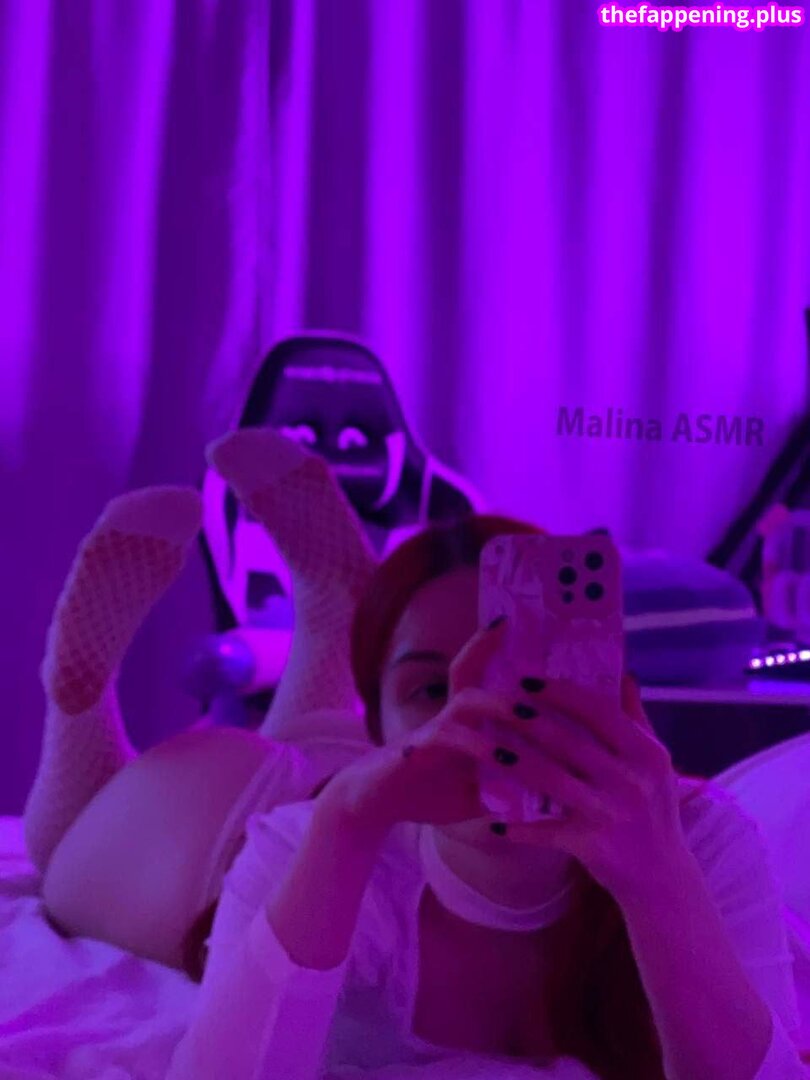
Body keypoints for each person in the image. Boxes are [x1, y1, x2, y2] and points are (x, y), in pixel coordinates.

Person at [165, 515, 805, 1080]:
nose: (476, 720)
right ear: (376, 729)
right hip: (222, 818)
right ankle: (317, 611)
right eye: (431, 691)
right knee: (148, 838)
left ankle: (328, 606)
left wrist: (656, 881)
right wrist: (346, 825)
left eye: (518, 680)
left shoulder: (699, 842)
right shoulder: (313, 838)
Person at [27, 428, 378, 971]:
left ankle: (78, 705)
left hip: (100, 868)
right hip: (130, 875)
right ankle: (336, 615)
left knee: (303, 773)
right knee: (309, 767)